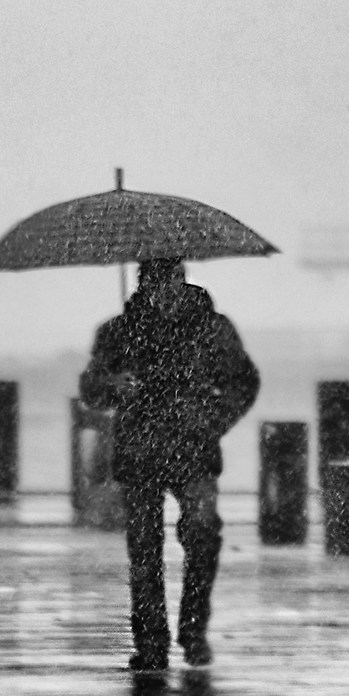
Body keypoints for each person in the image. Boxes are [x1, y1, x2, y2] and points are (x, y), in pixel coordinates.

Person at [77, 259, 260, 668]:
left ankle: (192, 632)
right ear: (144, 284)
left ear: (183, 280)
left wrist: (213, 419)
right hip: (138, 453)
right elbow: (91, 389)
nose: (165, 291)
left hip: (193, 450)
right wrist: (113, 384)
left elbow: (243, 381)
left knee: (202, 536)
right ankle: (151, 643)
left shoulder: (212, 328)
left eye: (172, 281)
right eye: (156, 283)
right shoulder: (117, 332)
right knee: (144, 552)